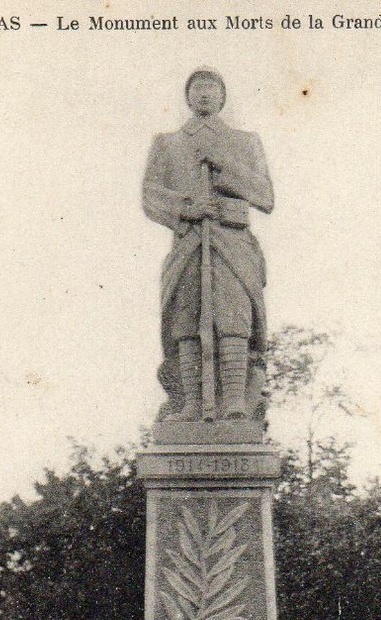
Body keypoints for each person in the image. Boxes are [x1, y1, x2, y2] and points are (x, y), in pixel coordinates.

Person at [143, 68, 273, 421]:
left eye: (211, 89)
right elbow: (150, 196)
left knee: (233, 317)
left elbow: (265, 195)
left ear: (222, 97)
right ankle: (192, 403)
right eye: (197, 88)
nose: (204, 94)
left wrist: (223, 165)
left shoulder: (245, 142)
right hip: (188, 243)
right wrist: (187, 207)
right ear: (187, 96)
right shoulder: (167, 143)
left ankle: (234, 401)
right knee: (186, 321)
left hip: (231, 242)